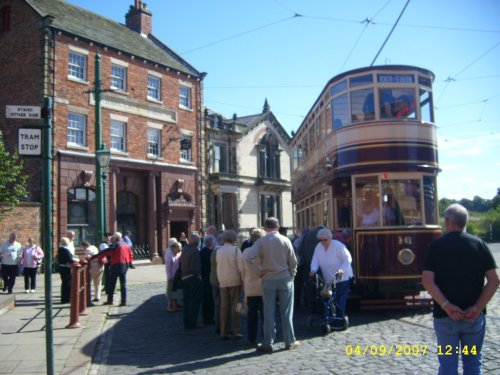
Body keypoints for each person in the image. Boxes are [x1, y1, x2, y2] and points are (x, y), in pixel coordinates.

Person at [422, 204, 499, 375]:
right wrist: (477, 307)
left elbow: (427, 281)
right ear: (465, 222)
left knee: (448, 366)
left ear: (448, 222)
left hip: (445, 319)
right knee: (472, 364)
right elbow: (494, 281)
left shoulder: (436, 247)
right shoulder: (480, 244)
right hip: (473, 318)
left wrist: (447, 305)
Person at [247, 217, 299, 353]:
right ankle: (289, 341)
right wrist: (291, 276)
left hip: (268, 278)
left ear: (265, 228)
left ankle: (268, 342)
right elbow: (293, 262)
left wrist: (258, 272)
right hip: (284, 278)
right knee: (287, 312)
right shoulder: (285, 240)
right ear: (278, 227)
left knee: (268, 312)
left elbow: (248, 257)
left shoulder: (261, 242)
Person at [309, 228, 353, 320]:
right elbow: (315, 259)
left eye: (325, 240)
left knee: (339, 298)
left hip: (342, 277)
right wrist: (313, 269)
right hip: (329, 278)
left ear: (330, 238)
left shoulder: (338, 246)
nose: (323, 242)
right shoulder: (318, 247)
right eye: (321, 240)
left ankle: (339, 319)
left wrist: (342, 269)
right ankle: (330, 317)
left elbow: (348, 259)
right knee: (329, 299)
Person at [216, 229, 244, 340]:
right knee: (235, 306)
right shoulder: (236, 250)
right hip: (234, 281)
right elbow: (241, 267)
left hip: (222, 281)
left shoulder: (219, 251)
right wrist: (243, 280)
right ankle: (235, 330)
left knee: (224, 307)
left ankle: (223, 331)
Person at [95, 232, 133, 306]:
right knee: (123, 284)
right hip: (125, 265)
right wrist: (129, 264)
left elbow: (106, 252)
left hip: (116, 265)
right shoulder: (126, 244)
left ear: (115, 238)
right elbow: (131, 255)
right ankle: (123, 301)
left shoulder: (115, 244)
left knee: (112, 284)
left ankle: (110, 300)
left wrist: (99, 257)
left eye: (113, 238)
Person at [242, 228, 265, 345]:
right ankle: (266, 337)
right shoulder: (265, 252)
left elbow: (242, 271)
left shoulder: (246, 252)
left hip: (250, 286)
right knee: (265, 314)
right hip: (264, 286)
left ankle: (251, 338)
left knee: (251, 314)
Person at [180, 232, 203, 329]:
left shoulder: (185, 249)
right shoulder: (195, 251)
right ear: (197, 242)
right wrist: (199, 277)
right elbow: (195, 268)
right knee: (194, 302)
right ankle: (193, 322)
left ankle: (186, 322)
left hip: (184, 277)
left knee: (186, 301)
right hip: (193, 278)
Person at [57, 237, 79, 304]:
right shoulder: (66, 250)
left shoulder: (60, 249)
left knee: (64, 283)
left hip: (61, 267)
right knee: (67, 284)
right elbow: (70, 259)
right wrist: (76, 260)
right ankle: (67, 299)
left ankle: (64, 299)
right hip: (66, 268)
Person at [200, 235, 216, 324]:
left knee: (205, 299)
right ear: (211, 243)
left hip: (203, 277)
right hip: (210, 277)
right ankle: (209, 317)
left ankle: (205, 317)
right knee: (209, 299)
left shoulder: (201, 251)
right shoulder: (211, 253)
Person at [164, 239, 182, 312]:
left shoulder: (174, 252)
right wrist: (169, 277)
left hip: (176, 275)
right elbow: (168, 267)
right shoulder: (169, 254)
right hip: (172, 276)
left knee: (174, 291)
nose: (179, 250)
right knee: (170, 292)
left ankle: (174, 306)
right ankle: (169, 306)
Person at [209, 234, 221, 334]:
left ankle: (218, 325)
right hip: (221, 281)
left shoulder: (214, 251)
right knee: (225, 304)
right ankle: (224, 326)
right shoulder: (219, 251)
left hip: (214, 280)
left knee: (217, 303)